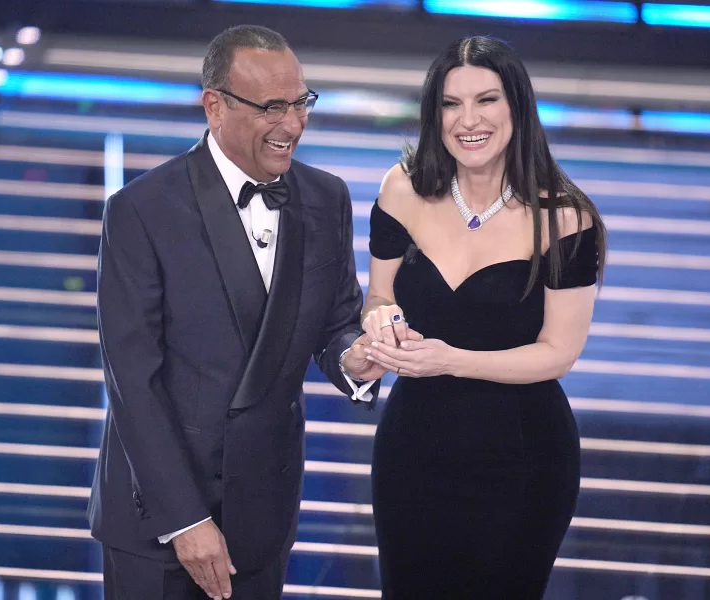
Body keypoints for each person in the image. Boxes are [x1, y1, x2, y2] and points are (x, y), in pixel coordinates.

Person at [88, 24, 386, 600]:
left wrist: (359, 358)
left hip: (262, 514)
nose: (293, 125)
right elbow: (132, 381)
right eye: (273, 107)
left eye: (301, 102)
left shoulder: (327, 198)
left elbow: (335, 323)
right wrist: (186, 520)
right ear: (214, 106)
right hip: (158, 521)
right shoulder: (141, 210)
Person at [362, 35, 607, 599]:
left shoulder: (565, 217)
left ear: (516, 107)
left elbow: (558, 353)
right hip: (412, 448)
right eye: (451, 104)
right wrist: (381, 324)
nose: (467, 120)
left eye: (486, 100)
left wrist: (451, 359)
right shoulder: (401, 189)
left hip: (521, 456)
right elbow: (377, 296)